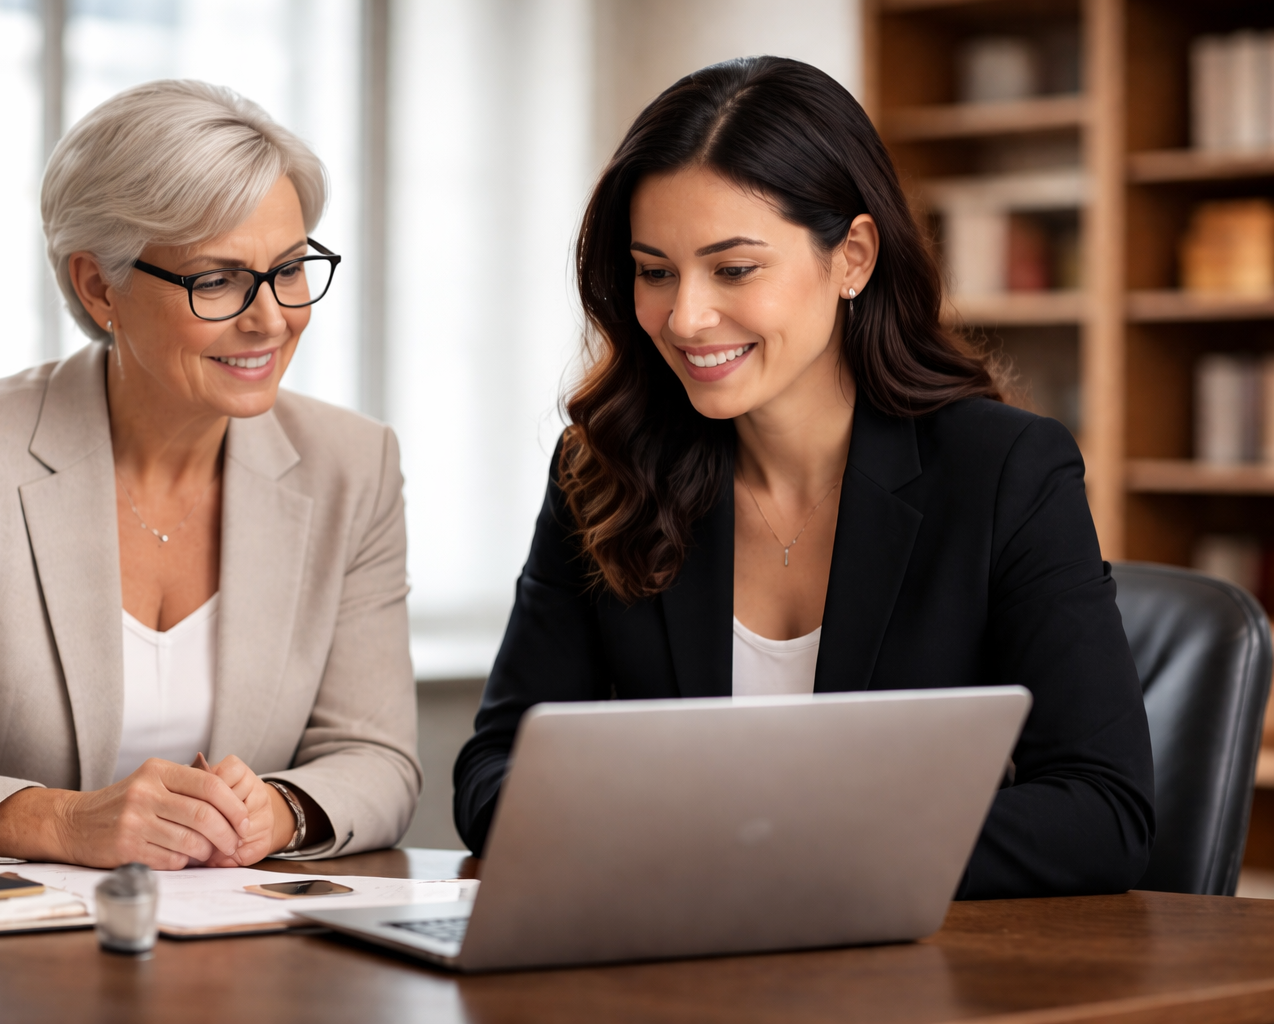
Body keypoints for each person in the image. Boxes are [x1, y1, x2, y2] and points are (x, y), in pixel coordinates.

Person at [452, 57, 1154, 900]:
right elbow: (492, 772)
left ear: (852, 256)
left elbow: (1104, 814)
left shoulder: (1006, 471)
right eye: (654, 270)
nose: (685, 317)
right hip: (667, 967)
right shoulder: (605, 468)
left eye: (734, 269)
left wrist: (778, 853)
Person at [0, 80, 419, 870]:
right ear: (97, 286)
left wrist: (280, 812)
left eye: (290, 269)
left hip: (235, 956)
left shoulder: (352, 464)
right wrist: (64, 822)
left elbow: (377, 758)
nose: (272, 318)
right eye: (217, 279)